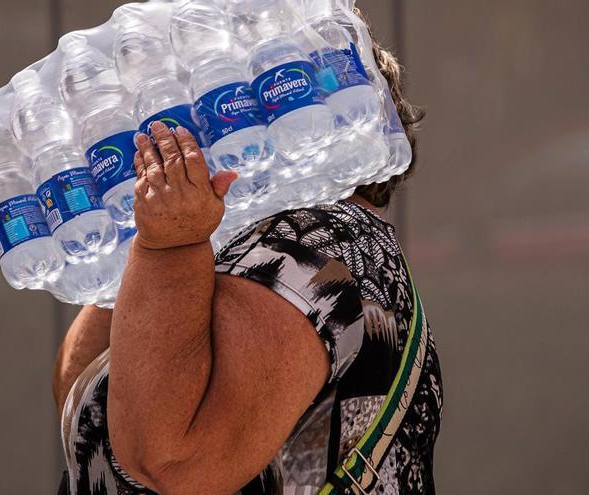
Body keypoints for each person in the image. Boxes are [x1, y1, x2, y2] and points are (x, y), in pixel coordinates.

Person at [53, 12, 442, 495]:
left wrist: (169, 244)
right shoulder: (229, 241)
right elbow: (83, 411)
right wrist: (139, 245)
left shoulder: (325, 241)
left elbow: (171, 461)